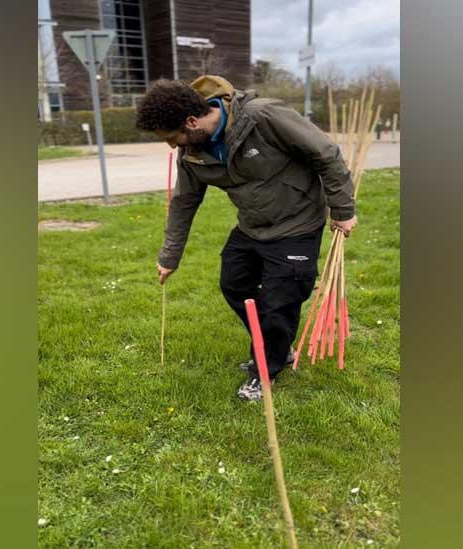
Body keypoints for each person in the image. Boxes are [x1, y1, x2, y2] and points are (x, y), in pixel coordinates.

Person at [135, 75, 357, 401]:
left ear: (192, 121)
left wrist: (342, 209)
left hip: (296, 223)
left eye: (172, 137)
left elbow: (324, 153)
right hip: (252, 225)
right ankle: (275, 348)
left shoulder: (262, 117)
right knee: (234, 283)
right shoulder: (192, 151)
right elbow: (183, 203)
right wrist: (169, 257)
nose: (172, 146)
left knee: (279, 303)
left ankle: (265, 368)